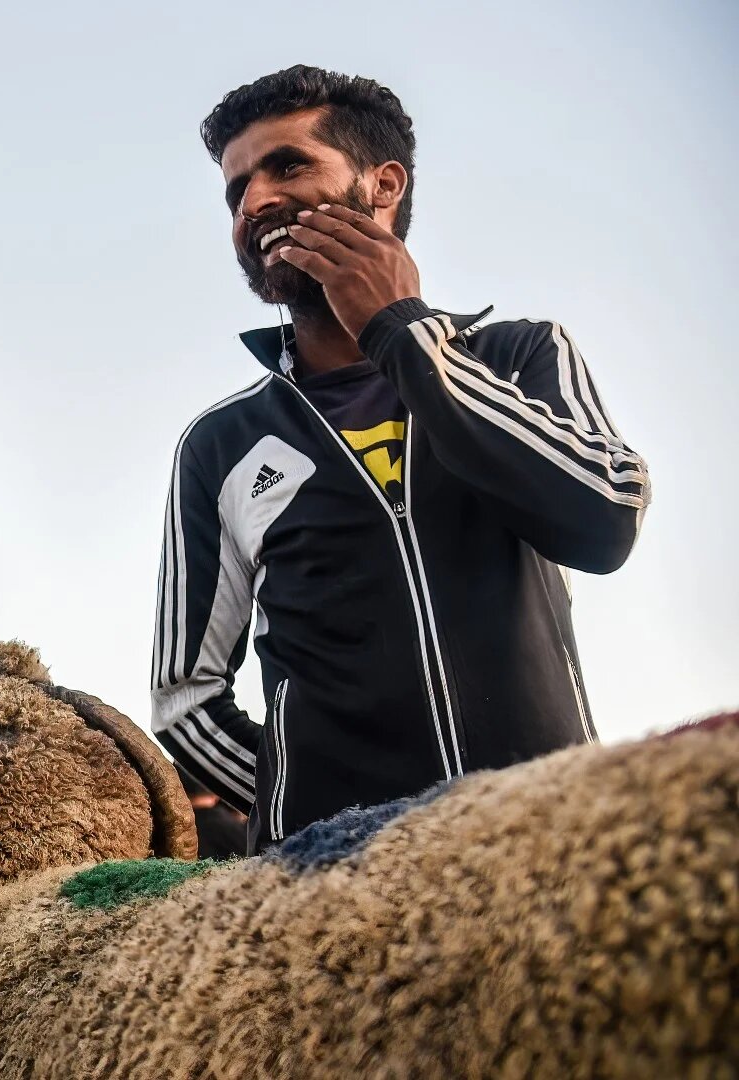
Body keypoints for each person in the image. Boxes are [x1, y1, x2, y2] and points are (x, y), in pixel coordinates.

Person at [151, 66, 650, 855]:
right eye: (236, 189)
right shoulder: (222, 444)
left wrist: (402, 331)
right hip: (330, 888)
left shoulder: (523, 356)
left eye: (287, 166)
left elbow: (605, 519)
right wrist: (309, 810)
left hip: (553, 848)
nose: (254, 203)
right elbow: (186, 699)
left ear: (382, 186)